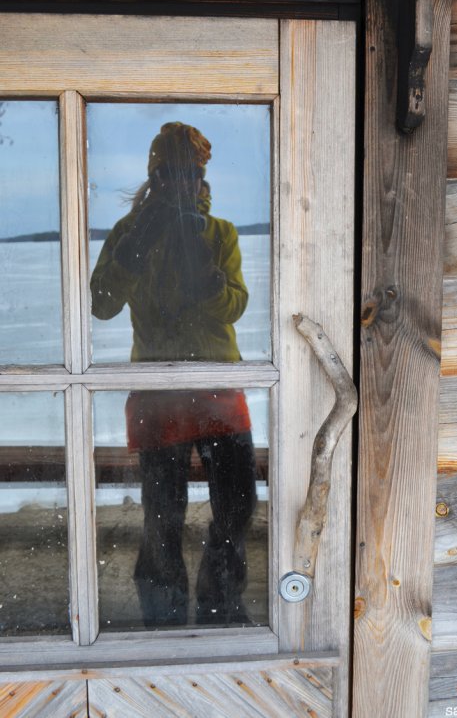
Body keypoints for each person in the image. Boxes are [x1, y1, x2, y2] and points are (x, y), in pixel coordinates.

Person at [90, 121, 257, 627]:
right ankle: (163, 616)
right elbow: (101, 304)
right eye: (170, 175)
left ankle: (220, 608)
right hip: (159, 394)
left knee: (238, 507)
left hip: (217, 388)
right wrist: (134, 246)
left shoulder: (220, 233)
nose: (181, 184)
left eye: (191, 175)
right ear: (155, 178)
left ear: (201, 178)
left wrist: (207, 280)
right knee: (162, 518)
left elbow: (235, 307)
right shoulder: (128, 234)